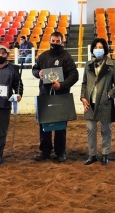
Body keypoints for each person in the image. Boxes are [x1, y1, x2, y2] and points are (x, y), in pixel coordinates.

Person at [32, 31, 79, 162]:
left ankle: (60, 152)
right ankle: (45, 151)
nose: (55, 43)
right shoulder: (43, 56)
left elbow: (74, 75)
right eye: (53, 41)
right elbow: (34, 69)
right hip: (45, 95)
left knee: (60, 125)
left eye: (58, 41)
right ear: (50, 41)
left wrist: (62, 85)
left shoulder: (67, 57)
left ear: (62, 42)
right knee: (44, 124)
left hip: (61, 96)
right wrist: (38, 73)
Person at [81, 38, 115, 166]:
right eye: (96, 47)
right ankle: (92, 155)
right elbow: (84, 83)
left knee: (106, 130)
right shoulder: (88, 65)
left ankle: (105, 154)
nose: (98, 49)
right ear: (92, 49)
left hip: (105, 103)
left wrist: (109, 95)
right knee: (90, 130)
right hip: (89, 103)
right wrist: (83, 97)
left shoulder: (112, 64)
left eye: (101, 47)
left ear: (105, 49)